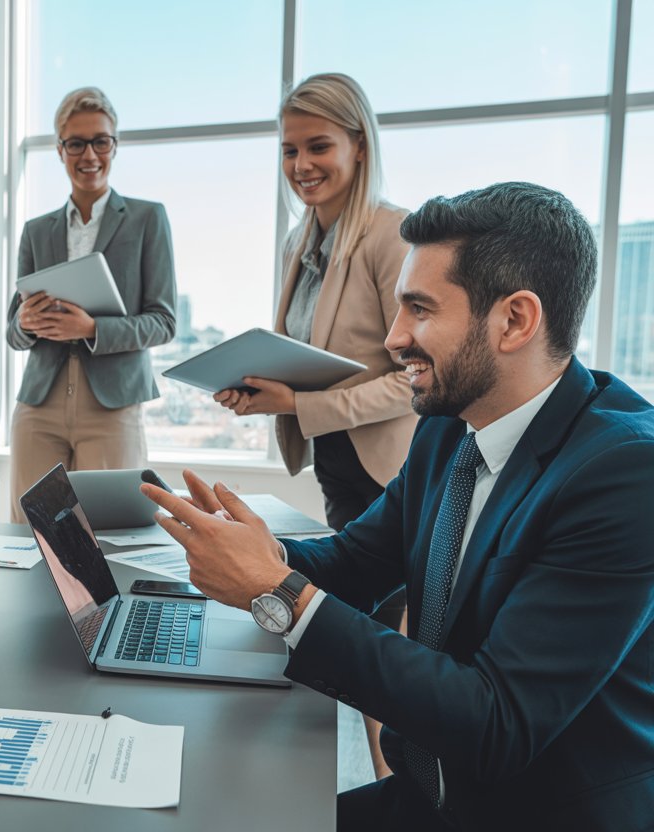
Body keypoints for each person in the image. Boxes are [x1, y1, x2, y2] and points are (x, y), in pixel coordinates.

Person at [143, 182, 654, 831]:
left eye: (419, 309)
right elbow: (357, 561)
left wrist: (280, 592)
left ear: (515, 320)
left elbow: (497, 722)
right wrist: (256, 552)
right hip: (430, 797)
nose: (392, 337)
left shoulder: (624, 472)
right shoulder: (450, 427)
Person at [218, 71, 414, 777]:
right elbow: (315, 360)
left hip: (387, 467)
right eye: (289, 151)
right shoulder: (299, 245)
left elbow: (413, 379)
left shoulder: (392, 237)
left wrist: (297, 405)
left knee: (383, 641)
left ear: (359, 146)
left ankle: (394, 787)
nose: (302, 166)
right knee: (359, 630)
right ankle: (376, 782)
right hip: (335, 462)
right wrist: (260, 390)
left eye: (318, 147)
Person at [6, 87, 176, 521]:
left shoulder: (146, 218)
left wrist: (91, 329)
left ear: (114, 145)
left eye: (101, 141)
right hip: (38, 406)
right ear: (60, 149)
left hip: (112, 405)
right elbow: (12, 332)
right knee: (33, 531)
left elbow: (163, 321)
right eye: (76, 143)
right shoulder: (36, 230)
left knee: (110, 531)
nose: (89, 155)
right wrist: (25, 321)